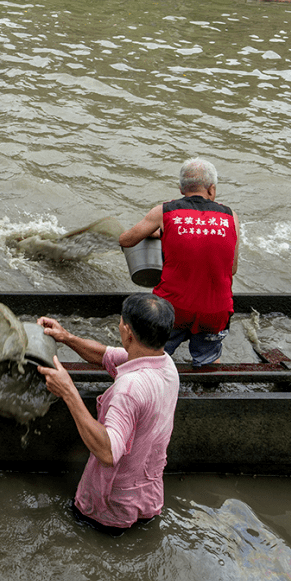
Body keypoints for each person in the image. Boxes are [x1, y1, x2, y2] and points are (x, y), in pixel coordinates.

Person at [35, 293, 179, 535]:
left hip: (111, 505)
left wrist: (69, 391)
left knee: (84, 538)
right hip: (148, 497)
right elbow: (105, 356)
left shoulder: (129, 389)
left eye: (122, 323)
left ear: (128, 333)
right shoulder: (165, 365)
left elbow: (108, 452)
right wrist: (67, 338)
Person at [119, 157, 240, 366]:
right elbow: (233, 269)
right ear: (211, 189)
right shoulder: (231, 216)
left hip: (172, 309)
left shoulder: (164, 211)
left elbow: (126, 240)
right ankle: (210, 378)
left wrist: (160, 234)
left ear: (181, 189)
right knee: (210, 360)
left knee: (149, 354)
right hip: (215, 312)